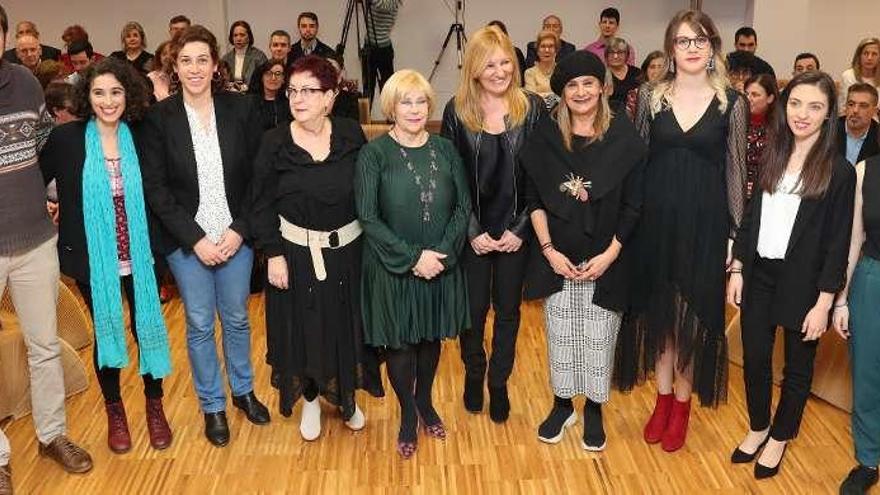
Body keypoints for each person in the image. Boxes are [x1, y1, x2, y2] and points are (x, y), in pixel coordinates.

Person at [621, 10, 748, 453]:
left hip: (705, 226)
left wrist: (736, 240)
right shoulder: (650, 96)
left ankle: (681, 406)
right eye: (682, 40)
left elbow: (735, 171)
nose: (692, 48)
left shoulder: (732, 102)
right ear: (671, 48)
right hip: (655, 224)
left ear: (712, 47)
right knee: (660, 319)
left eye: (700, 40)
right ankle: (660, 400)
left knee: (691, 319)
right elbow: (636, 164)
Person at [140, 25, 270, 448]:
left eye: (202, 59)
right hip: (188, 241)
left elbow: (258, 180)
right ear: (173, 67)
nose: (194, 68)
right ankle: (212, 405)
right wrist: (196, 240)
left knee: (236, 317)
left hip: (235, 236)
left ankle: (243, 391)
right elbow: (156, 190)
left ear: (215, 65)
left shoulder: (243, 110)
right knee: (198, 323)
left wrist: (240, 231)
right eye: (185, 61)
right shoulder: (159, 119)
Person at [39, 57, 173, 455]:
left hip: (142, 254)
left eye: (115, 92)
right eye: (99, 92)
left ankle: (155, 405)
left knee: (144, 326)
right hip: (92, 258)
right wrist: (48, 207)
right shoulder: (66, 140)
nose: (108, 100)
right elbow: (34, 181)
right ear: (87, 96)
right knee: (107, 331)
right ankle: (115, 411)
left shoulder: (144, 134)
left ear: (127, 95)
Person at [727, 71, 855, 479]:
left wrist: (825, 302)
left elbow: (838, 243)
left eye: (815, 106)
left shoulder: (839, 172)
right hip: (759, 273)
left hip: (805, 284)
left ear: (828, 113)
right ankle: (758, 426)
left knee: (797, 369)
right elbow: (751, 217)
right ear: (785, 106)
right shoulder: (772, 154)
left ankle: (780, 437)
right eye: (796, 103)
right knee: (756, 359)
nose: (803, 114)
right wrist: (738, 267)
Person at [520, 51, 646, 452]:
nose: (580, 91)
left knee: (598, 337)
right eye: (571, 85)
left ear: (603, 87)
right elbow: (533, 199)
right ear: (561, 92)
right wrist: (548, 250)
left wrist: (610, 254)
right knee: (560, 335)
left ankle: (593, 408)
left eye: (588, 83)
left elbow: (634, 205)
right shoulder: (546, 138)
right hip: (558, 257)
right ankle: (562, 406)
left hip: (606, 258)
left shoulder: (624, 138)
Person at [251, 54, 381, 441]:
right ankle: (310, 398)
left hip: (349, 253)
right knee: (305, 328)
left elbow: (369, 191)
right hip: (295, 255)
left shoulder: (350, 133)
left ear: (329, 97)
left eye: (309, 90)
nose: (298, 98)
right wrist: (273, 253)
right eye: (293, 90)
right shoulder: (274, 142)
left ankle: (346, 398)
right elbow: (259, 203)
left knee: (347, 325)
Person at [355, 69, 471, 459]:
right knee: (401, 344)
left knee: (430, 338)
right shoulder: (373, 154)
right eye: (406, 101)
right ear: (391, 106)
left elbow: (463, 207)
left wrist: (440, 254)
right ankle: (407, 413)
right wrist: (413, 258)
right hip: (394, 266)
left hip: (439, 261)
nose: (415, 109)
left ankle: (425, 401)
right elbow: (368, 217)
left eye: (421, 101)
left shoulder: (445, 149)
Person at [0, 4, 92, 490]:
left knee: (43, 346)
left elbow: (40, 151)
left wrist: (47, 198)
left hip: (35, 239)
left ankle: (52, 434)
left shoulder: (26, 82)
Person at [441, 26, 545, 423]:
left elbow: (540, 175)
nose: (500, 71)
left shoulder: (531, 108)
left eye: (505, 62)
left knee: (507, 312)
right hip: (473, 233)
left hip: (515, 232)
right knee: (472, 311)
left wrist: (520, 232)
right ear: (474, 69)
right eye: (490, 64)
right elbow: (451, 179)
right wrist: (471, 232)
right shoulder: (457, 110)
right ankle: (474, 372)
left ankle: (498, 382)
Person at [833, 144, 880, 495]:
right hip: (871, 279)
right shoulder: (866, 170)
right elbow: (852, 240)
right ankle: (868, 460)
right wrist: (841, 300)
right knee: (866, 373)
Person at [744, 73, 778, 198]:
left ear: (770, 98)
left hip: (767, 190)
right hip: (737, 190)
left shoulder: (779, 127)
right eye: (746, 94)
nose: (748, 98)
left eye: (755, 95)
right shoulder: (737, 121)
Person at [363, 0, 402, 104]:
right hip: (368, 47)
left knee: (387, 87)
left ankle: (391, 119)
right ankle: (365, 118)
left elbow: (382, 6)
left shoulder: (393, 2)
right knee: (367, 87)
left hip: (383, 50)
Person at [837, 83, 879, 165]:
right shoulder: (827, 131)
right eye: (851, 104)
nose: (855, 110)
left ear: (874, 111)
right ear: (845, 107)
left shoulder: (877, 135)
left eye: (863, 106)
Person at [220, 20, 267, 92]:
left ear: (249, 37)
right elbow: (222, 82)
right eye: (235, 35)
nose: (238, 38)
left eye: (242, 35)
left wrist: (245, 88)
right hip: (230, 96)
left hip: (252, 96)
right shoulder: (226, 58)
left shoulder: (259, 56)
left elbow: (264, 81)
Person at [246, 58, 292, 131]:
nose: (273, 78)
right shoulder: (250, 103)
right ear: (262, 78)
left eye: (278, 74)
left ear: (283, 79)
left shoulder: (290, 104)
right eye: (268, 73)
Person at [840, 38, 879, 110]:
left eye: (874, 54)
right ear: (859, 56)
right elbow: (844, 107)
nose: (869, 58)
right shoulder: (848, 76)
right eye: (866, 53)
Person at [625, 51, 667, 118]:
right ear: (646, 70)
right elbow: (628, 122)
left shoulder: (673, 93)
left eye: (660, 67)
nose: (656, 71)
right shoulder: (634, 94)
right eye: (652, 67)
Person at [487, 20, 526, 86]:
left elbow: (521, 80)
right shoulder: (483, 54)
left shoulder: (515, 52)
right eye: (492, 33)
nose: (496, 36)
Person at [605, 37, 641, 108]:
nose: (615, 56)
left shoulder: (637, 73)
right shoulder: (602, 74)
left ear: (627, 55)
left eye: (620, 52)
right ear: (606, 55)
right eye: (611, 52)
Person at [523, 30, 558, 102]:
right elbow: (531, 98)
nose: (547, 50)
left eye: (551, 46)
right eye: (543, 46)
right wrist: (554, 96)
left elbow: (565, 95)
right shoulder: (530, 73)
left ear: (556, 50)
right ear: (537, 50)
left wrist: (541, 94)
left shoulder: (562, 71)